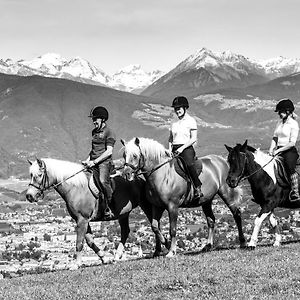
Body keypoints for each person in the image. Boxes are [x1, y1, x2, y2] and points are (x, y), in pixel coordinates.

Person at [82, 106, 116, 219]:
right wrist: (87, 160)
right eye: (93, 119)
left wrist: (95, 161)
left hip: (104, 163)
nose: (93, 121)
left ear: (102, 119)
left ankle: (110, 207)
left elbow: (109, 151)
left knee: (102, 181)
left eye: (95, 119)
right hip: (93, 161)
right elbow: (93, 150)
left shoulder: (109, 132)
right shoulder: (94, 132)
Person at [168, 96, 204, 202]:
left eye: (179, 108)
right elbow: (170, 139)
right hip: (174, 148)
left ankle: (197, 187)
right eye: (175, 108)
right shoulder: (173, 122)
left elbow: (193, 139)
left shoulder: (191, 121)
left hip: (186, 148)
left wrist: (181, 149)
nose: (177, 110)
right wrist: (169, 150)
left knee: (189, 164)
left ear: (185, 108)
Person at [268, 98, 300, 201]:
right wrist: (271, 149)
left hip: (289, 151)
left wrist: (277, 151)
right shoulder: (279, 122)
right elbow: (275, 137)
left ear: (288, 111)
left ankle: (295, 191)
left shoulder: (294, 124)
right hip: (278, 149)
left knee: (290, 167)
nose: (279, 114)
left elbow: (292, 143)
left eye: (280, 112)